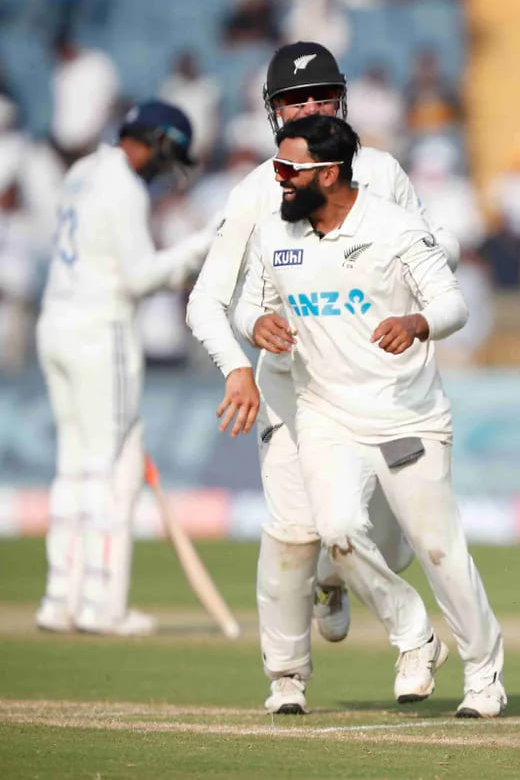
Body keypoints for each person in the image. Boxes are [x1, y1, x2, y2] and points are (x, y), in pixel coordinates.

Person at [185, 41, 462, 714]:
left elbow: (430, 256)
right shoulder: (255, 191)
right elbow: (210, 299)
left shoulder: (386, 172)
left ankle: (337, 578)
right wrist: (241, 359)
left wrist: (409, 316)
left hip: (379, 386)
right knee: (292, 529)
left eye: (319, 97)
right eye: (293, 100)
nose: (308, 108)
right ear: (273, 112)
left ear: (340, 101)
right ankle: (287, 677)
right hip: (294, 387)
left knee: (386, 536)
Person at [233, 115, 506, 717]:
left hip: (406, 414)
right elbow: (247, 305)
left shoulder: (395, 227)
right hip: (324, 413)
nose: (278, 181)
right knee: (335, 532)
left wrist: (417, 323)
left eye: (288, 170)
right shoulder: (276, 236)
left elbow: (453, 303)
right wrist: (256, 324)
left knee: (438, 549)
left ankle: (485, 674)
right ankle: (413, 635)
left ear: (327, 173)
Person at [35, 100, 212, 636]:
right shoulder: (124, 187)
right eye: (171, 154)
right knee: (111, 469)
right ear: (158, 141)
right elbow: (138, 278)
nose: (168, 167)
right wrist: (202, 248)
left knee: (72, 465)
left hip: (55, 321)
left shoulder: (82, 170)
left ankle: (58, 598)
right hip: (99, 328)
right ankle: (100, 605)